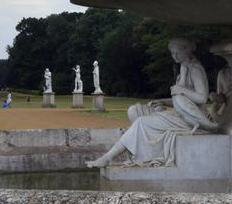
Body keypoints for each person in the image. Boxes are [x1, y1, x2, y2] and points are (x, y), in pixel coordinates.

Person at [86, 38, 217, 168]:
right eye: (172, 53)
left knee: (140, 122)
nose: (175, 56)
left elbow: (202, 98)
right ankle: (147, 153)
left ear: (186, 51)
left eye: (178, 52)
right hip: (179, 114)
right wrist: (162, 101)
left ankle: (107, 158)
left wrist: (181, 89)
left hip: (189, 120)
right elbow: (182, 100)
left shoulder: (195, 70)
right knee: (135, 111)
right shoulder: (184, 68)